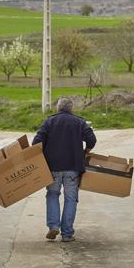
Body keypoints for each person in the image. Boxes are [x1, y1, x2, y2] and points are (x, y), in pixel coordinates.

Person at [32, 98, 96, 242]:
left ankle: (53, 226)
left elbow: (36, 142)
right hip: (73, 168)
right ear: (71, 108)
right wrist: (87, 150)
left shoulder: (49, 121)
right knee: (71, 198)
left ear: (58, 108)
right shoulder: (79, 122)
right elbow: (91, 139)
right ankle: (67, 234)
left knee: (53, 194)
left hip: (52, 167)